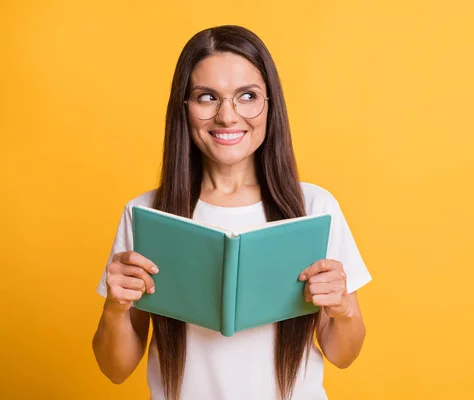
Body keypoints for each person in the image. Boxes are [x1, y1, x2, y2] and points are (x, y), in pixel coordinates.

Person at [92, 25, 372, 400]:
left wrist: (343, 309)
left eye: (247, 96)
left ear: (270, 105)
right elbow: (115, 369)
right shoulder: (145, 214)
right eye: (207, 97)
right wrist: (116, 308)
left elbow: (343, 355)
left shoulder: (314, 210)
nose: (227, 116)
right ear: (184, 107)